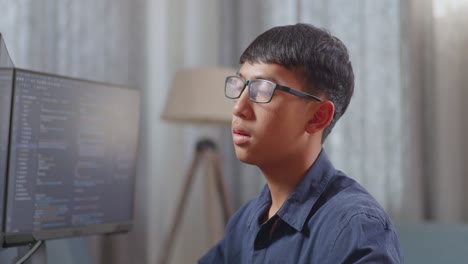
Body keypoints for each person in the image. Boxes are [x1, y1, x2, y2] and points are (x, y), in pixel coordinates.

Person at [199, 23, 403, 263]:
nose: (238, 108)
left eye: (263, 89)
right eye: (240, 85)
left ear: (318, 117)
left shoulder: (356, 227)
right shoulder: (246, 220)